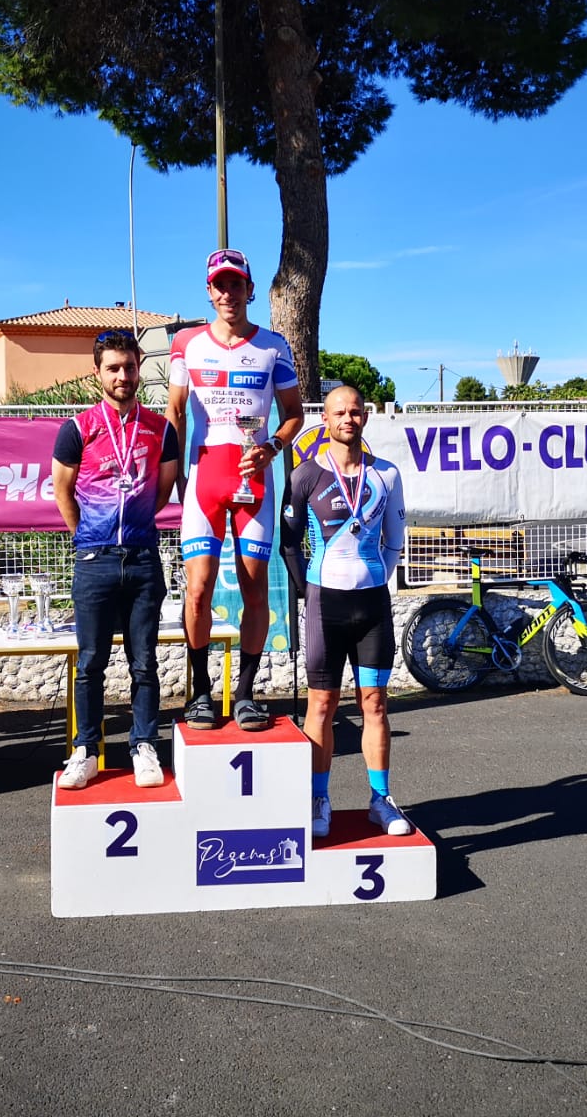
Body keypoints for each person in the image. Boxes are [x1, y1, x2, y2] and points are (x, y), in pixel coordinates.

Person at [166, 247, 303, 732]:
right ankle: (200, 692)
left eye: (236, 284)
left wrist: (270, 447)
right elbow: (176, 413)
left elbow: (294, 415)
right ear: (209, 291)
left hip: (255, 481)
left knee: (254, 589)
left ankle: (244, 693)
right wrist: (177, 473)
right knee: (199, 590)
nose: (228, 293)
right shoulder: (186, 344)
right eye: (219, 285)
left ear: (249, 288)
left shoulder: (273, 345)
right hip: (205, 479)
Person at [279, 386, 412, 837]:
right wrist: (308, 588)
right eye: (339, 412)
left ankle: (381, 800)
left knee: (374, 702)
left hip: (372, 602)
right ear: (326, 420)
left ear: (366, 418)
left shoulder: (387, 474)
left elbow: (394, 540)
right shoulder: (305, 476)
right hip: (324, 603)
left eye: (355, 412)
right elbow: (289, 543)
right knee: (322, 705)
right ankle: (320, 799)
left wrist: (374, 574)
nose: (348, 419)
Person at [51, 330, 181, 789]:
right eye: (113, 367)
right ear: (98, 373)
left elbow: (163, 491)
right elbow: (62, 490)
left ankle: (144, 744)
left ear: (139, 366)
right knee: (90, 663)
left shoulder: (161, 430)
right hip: (95, 560)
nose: (122, 375)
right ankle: (86, 749)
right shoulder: (77, 428)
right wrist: (87, 537)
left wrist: (133, 524)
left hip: (143, 557)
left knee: (144, 660)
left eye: (129, 366)